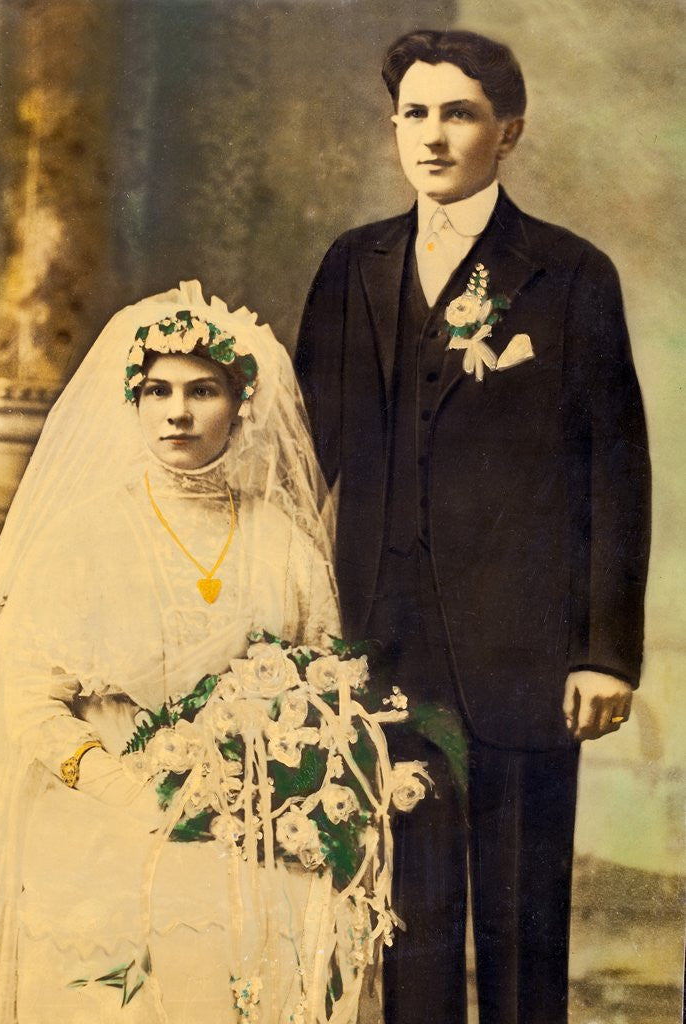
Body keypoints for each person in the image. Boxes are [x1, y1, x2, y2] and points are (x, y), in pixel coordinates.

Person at [295, 28, 651, 1024]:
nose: (433, 136)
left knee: (520, 923)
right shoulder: (353, 264)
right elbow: (302, 451)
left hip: (522, 650)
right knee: (406, 916)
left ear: (509, 131)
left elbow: (616, 472)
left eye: (460, 114)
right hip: (381, 645)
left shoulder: (568, 274)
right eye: (414, 113)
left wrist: (604, 652)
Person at [0, 280, 405, 1023]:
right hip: (107, 806)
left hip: (253, 818)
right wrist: (130, 793)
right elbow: (31, 703)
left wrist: (275, 787)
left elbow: (325, 687)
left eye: (203, 391)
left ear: (241, 406)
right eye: (157, 391)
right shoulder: (84, 536)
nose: (178, 412)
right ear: (133, 403)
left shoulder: (281, 541)